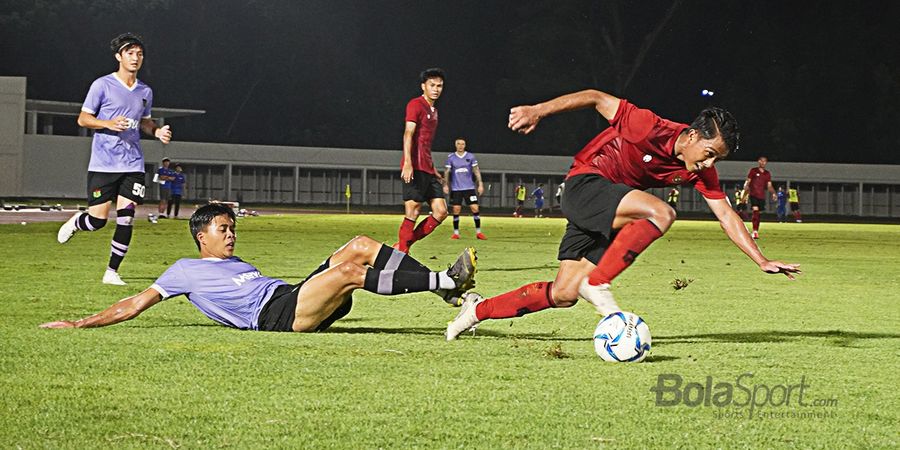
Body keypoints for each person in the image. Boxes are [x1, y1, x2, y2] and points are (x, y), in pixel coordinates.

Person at [447, 88, 800, 341]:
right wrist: (538, 110)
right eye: (707, 153)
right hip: (585, 184)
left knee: (564, 293)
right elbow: (595, 97)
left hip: (608, 207)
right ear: (691, 135)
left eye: (716, 159)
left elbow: (726, 214)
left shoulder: (698, 170)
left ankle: (476, 311)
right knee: (661, 212)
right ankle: (599, 282)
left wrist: (760, 259)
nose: (709, 164)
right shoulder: (649, 126)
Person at [41, 203, 478, 331]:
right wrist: (80, 324)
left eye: (232, 228)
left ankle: (443, 288)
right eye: (223, 229)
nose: (231, 235)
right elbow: (134, 303)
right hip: (275, 317)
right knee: (349, 273)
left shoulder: (238, 262)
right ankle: (444, 281)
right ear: (202, 237)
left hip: (289, 294)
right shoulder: (183, 270)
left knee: (360, 245)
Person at [57, 32, 172, 286]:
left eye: (139, 54)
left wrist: (157, 131)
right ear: (119, 56)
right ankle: (78, 222)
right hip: (104, 163)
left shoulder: (145, 91)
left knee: (127, 217)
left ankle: (111, 271)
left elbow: (144, 122)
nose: (135, 58)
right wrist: (108, 123)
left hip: (133, 164)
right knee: (98, 220)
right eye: (130, 53)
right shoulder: (102, 85)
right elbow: (83, 118)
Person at [395, 68, 448, 254]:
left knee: (441, 211)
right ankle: (402, 252)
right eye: (432, 85)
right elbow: (408, 133)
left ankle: (403, 246)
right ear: (423, 86)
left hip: (427, 168)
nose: (436, 89)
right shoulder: (415, 104)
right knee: (413, 211)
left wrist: (434, 170)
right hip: (414, 167)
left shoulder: (434, 111)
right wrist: (408, 162)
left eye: (439, 86)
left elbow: (425, 144)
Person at [443, 137, 487, 240]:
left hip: (469, 188)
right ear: (455, 145)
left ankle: (478, 233)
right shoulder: (451, 157)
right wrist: (445, 185)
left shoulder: (470, 156)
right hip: (456, 188)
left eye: (462, 144)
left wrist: (480, 184)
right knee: (456, 210)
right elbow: (446, 172)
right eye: (458, 144)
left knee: (475, 208)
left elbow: (476, 170)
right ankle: (456, 233)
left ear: (465, 145)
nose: (460, 146)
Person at [742, 156, 777, 240]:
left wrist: (773, 193)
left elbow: (769, 186)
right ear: (758, 161)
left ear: (766, 163)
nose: (763, 162)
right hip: (753, 194)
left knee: (758, 214)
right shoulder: (753, 171)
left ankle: (755, 230)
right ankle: (755, 231)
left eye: (764, 161)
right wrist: (745, 193)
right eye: (761, 161)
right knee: (755, 210)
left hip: (761, 196)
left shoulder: (767, 174)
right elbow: (748, 182)